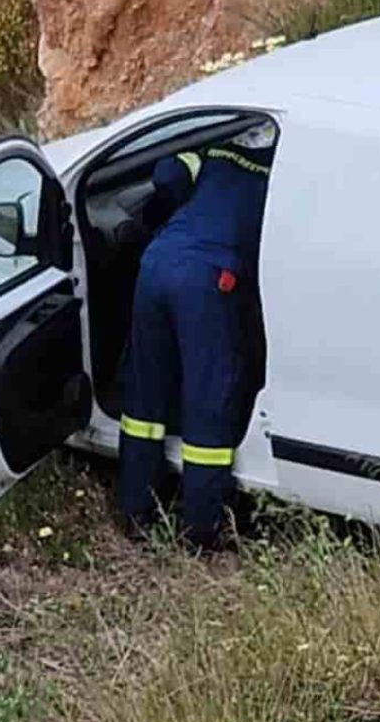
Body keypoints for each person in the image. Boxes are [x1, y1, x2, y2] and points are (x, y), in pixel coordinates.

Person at [117, 122, 277, 551]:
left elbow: (165, 177)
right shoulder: (281, 157)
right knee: (209, 397)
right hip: (209, 278)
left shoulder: (216, 136)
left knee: (145, 399)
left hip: (157, 263)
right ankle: (201, 532)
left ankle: (136, 512)